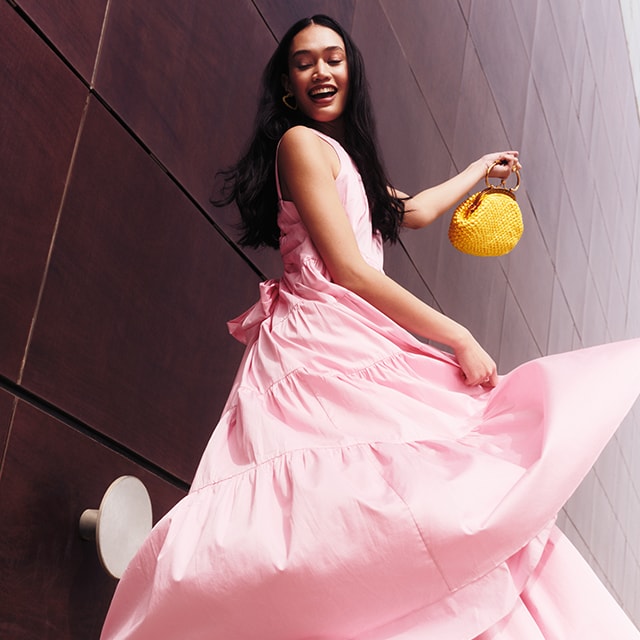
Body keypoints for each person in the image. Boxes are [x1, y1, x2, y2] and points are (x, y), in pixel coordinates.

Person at [101, 14, 640, 639]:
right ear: (286, 85)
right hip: (318, 347)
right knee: (341, 511)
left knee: (390, 505)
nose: (321, 71)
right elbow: (352, 270)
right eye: (304, 62)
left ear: (351, 72)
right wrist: (457, 334)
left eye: (333, 58)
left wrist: (479, 169)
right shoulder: (300, 145)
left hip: (346, 339)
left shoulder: (342, 159)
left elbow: (411, 211)